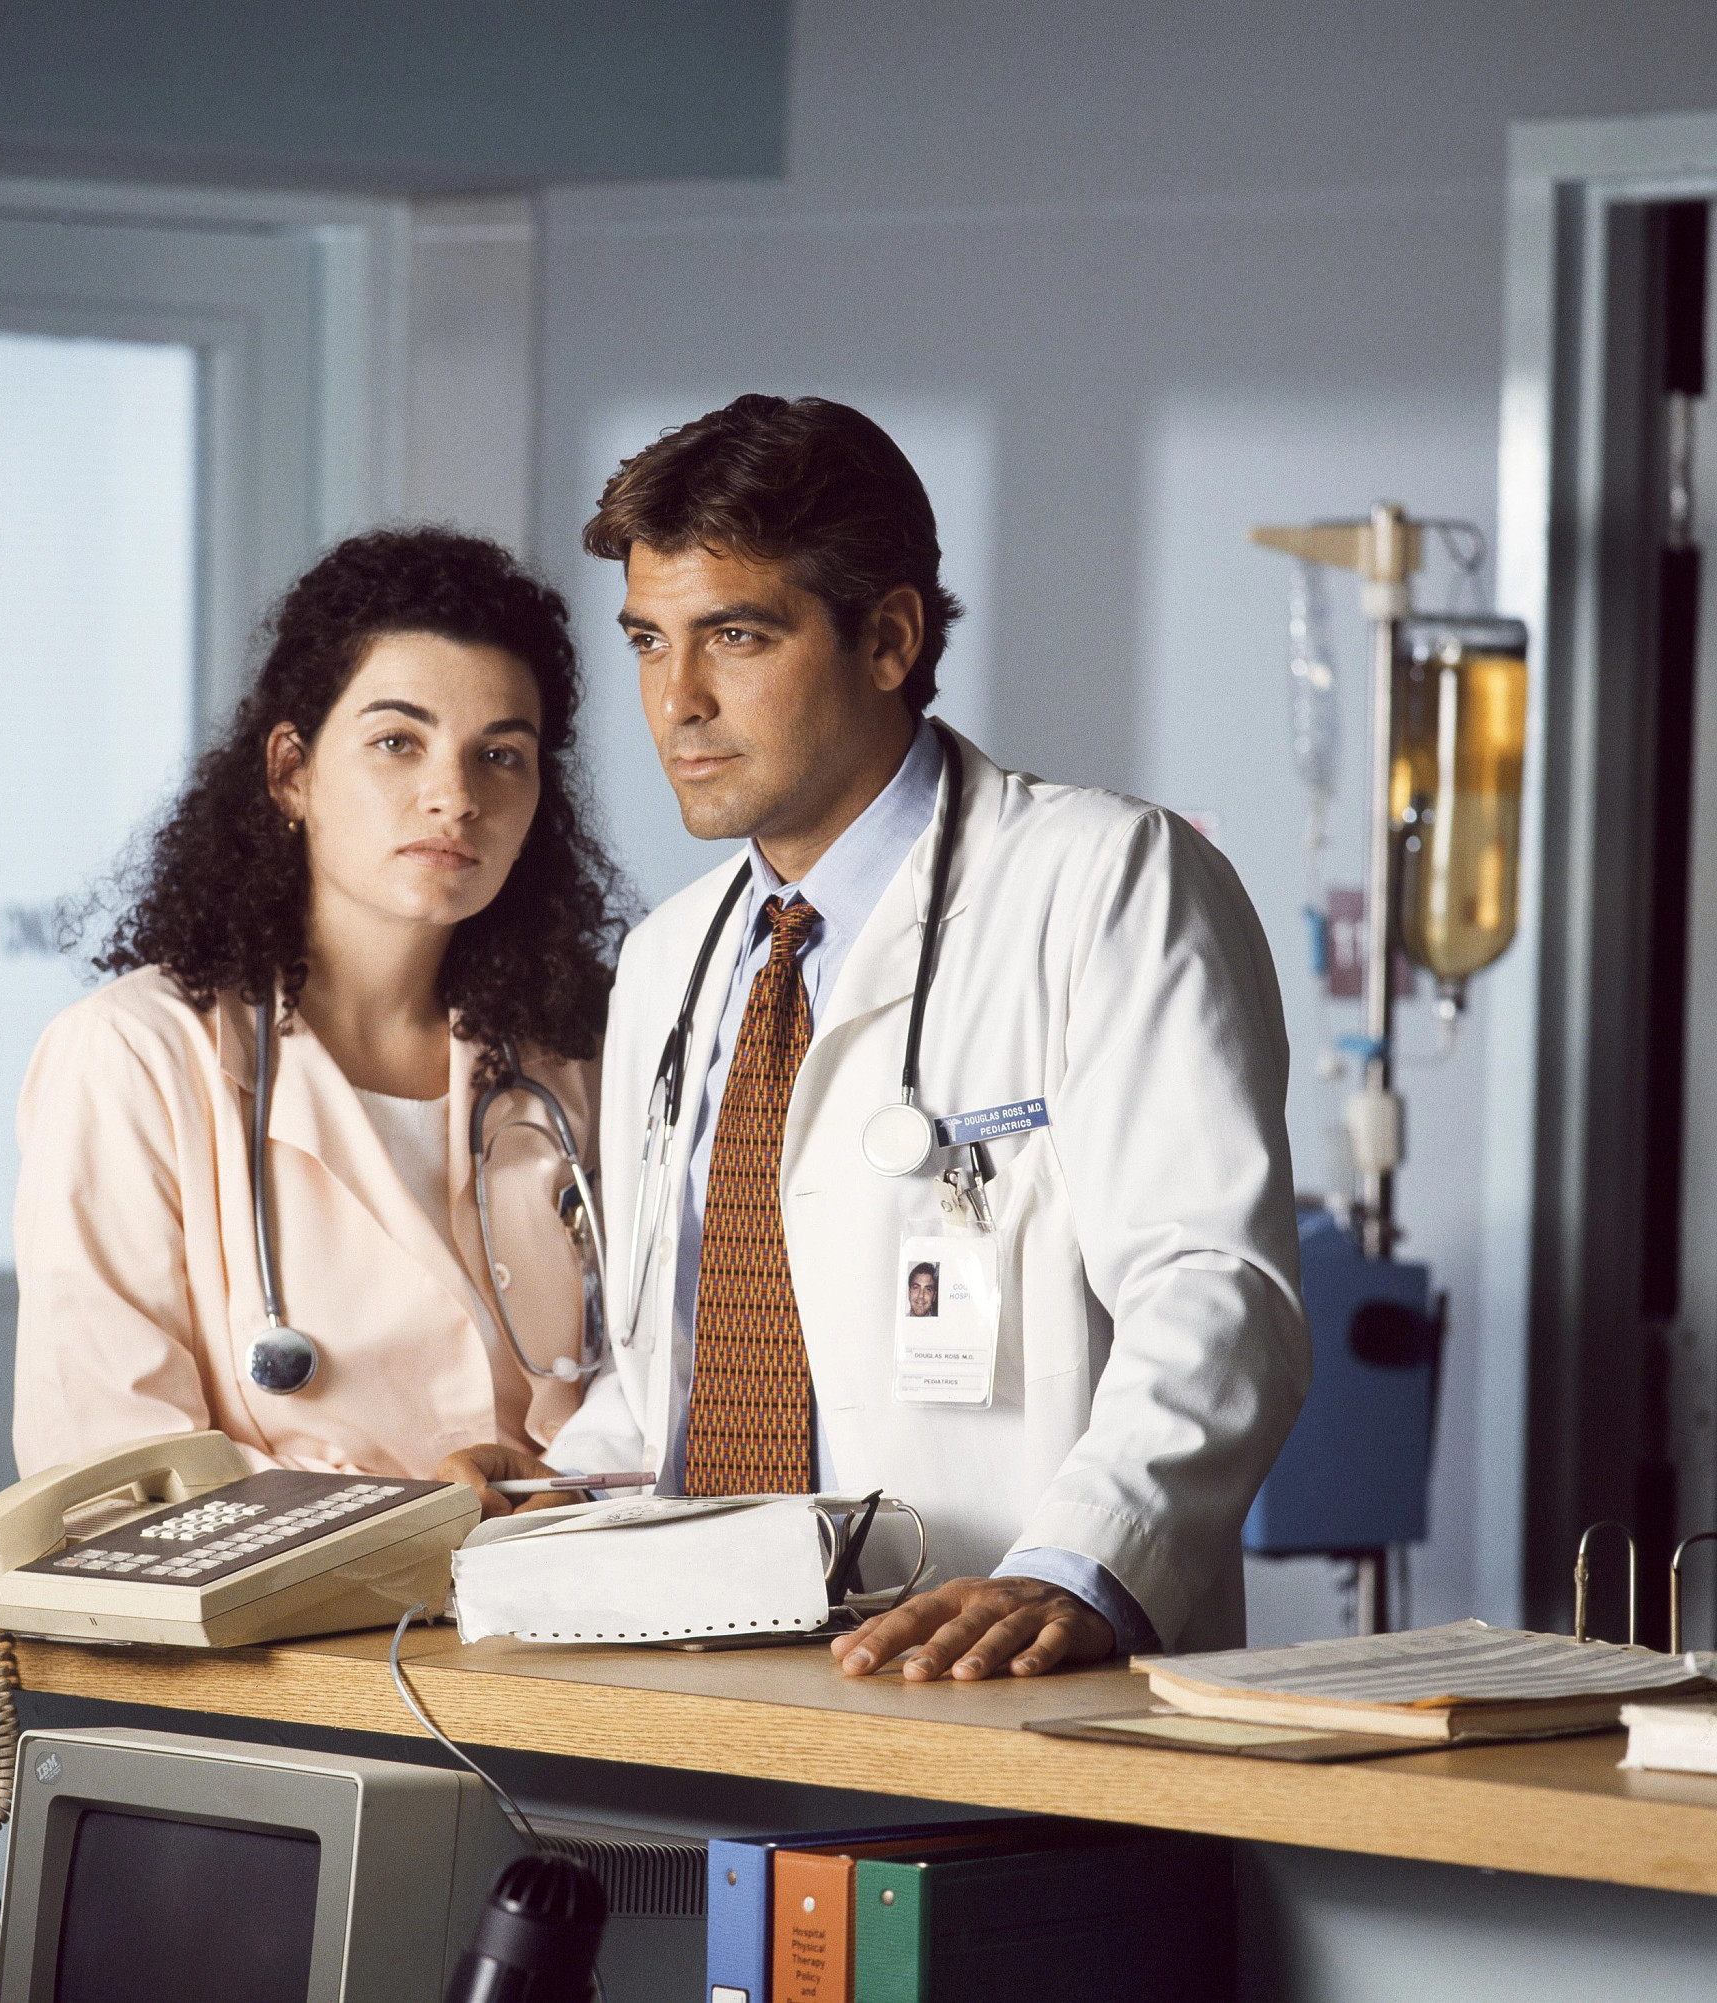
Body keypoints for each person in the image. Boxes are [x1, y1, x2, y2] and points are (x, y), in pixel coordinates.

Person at [452, 394, 1309, 1680]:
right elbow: (671, 1369)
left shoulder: (1102, 880)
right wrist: (551, 1491)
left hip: (996, 1670)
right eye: (647, 641)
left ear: (889, 637)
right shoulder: (668, 962)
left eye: (733, 635)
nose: (676, 700)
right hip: (696, 1673)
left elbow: (1214, 1291)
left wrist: (1077, 1564)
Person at [11, 527, 621, 1488]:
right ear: (291, 771)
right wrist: (414, 1528)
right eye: (396, 741)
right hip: (278, 1632)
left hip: (543, 1616)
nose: (454, 796)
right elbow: (108, 1468)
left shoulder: (578, 1057)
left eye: (500, 754)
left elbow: (649, 1402)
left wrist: (555, 1491)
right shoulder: (133, 1054)